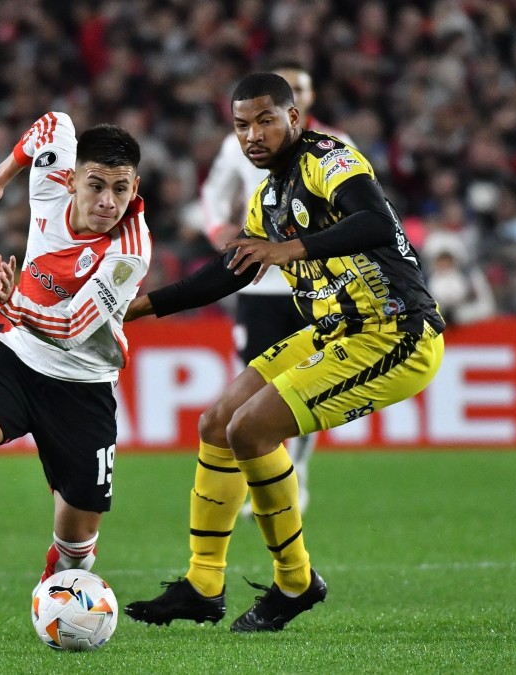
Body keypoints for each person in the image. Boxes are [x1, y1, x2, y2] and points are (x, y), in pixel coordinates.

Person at [122, 73, 445, 632]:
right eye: (241, 125)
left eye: (265, 120)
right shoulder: (267, 200)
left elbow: (374, 220)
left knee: (251, 430)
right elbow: (227, 274)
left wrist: (289, 249)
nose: (253, 135)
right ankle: (203, 583)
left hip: (396, 332)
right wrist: (138, 308)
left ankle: (295, 582)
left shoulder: (329, 158)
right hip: (335, 329)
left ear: (294, 118)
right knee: (217, 423)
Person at [0, 111, 151, 585]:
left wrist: (13, 302)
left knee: (76, 552)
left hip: (83, 382)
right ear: (72, 178)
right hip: (17, 355)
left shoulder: (130, 250)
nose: (108, 202)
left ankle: (57, 590)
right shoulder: (49, 181)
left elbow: (73, 327)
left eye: (121, 189)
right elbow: (52, 123)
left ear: (134, 187)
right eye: (96, 185)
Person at [200, 62, 353, 514]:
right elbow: (213, 194)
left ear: (304, 100)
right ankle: (263, 480)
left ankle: (296, 474)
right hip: (259, 284)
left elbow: (358, 210)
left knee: (305, 383)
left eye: (301, 88)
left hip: (316, 283)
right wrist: (218, 229)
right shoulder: (239, 144)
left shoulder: (336, 145)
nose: (296, 94)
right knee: (252, 384)